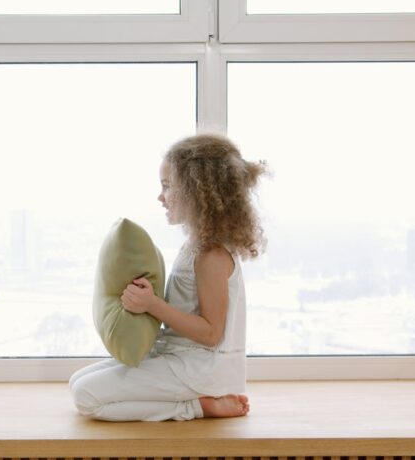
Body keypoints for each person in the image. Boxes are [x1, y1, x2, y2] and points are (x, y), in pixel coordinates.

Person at [70, 133, 267, 421]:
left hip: (201, 369)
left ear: (196, 192)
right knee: (77, 381)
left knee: (85, 396)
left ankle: (197, 406)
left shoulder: (211, 256)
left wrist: (152, 305)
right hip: (180, 358)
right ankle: (196, 400)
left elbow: (211, 334)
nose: (160, 197)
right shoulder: (195, 246)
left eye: (167, 186)